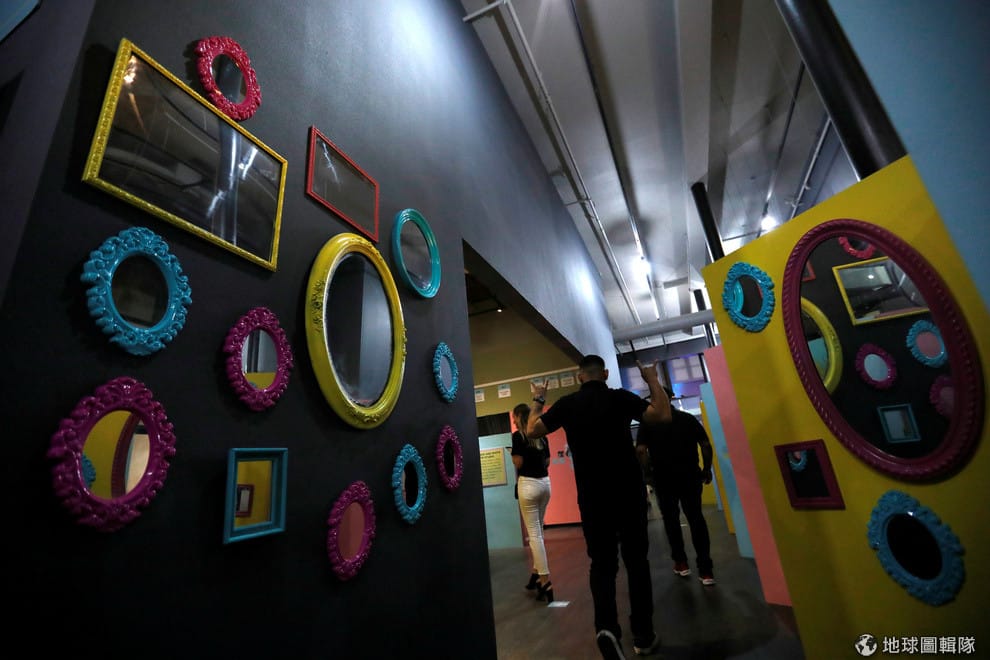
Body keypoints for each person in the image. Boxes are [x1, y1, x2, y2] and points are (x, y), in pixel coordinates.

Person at [526, 354, 671, 660]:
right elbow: (661, 415)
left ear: (580, 377)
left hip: (593, 497)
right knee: (637, 562)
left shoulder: (568, 404)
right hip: (628, 493)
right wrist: (652, 380)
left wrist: (538, 400)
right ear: (605, 374)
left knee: (602, 565)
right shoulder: (620, 398)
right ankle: (643, 635)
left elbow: (532, 431)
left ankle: (606, 630)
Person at [636, 387, 716, 586]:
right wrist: (706, 469)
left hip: (663, 479)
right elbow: (705, 445)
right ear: (672, 397)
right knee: (696, 519)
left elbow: (641, 451)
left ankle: (681, 562)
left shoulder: (648, 423)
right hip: (690, 476)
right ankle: (706, 570)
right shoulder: (687, 419)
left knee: (671, 520)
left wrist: (648, 475)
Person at [511, 402, 554, 603]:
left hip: (528, 485)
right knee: (539, 532)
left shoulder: (518, 436)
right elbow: (547, 462)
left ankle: (545, 581)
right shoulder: (542, 436)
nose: (513, 421)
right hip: (545, 484)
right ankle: (536, 574)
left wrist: (513, 455)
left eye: (514, 417)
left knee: (534, 535)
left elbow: (518, 462)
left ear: (520, 417)